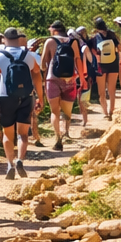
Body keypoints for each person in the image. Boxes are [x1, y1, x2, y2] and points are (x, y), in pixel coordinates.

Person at [0, 27, 45, 180]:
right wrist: (40, 97)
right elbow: (37, 75)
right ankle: (20, 160)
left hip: (6, 97)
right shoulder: (28, 55)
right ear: (19, 39)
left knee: (8, 133)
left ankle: (10, 164)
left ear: (4, 39)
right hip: (26, 96)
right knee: (23, 133)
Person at [41, 21, 81, 150]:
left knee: (55, 111)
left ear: (54, 30)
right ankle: (65, 133)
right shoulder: (73, 42)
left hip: (52, 79)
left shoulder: (49, 41)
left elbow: (42, 64)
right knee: (67, 112)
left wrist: (48, 66)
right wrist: (82, 77)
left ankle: (57, 138)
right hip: (70, 80)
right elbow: (77, 60)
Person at [92, 16, 121, 120]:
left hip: (101, 65)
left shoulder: (95, 37)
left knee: (102, 92)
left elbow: (92, 50)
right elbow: (119, 48)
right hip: (113, 63)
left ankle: (105, 112)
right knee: (112, 90)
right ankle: (111, 111)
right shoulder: (112, 35)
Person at [70, 27, 95, 129]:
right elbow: (91, 60)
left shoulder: (69, 45)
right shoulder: (84, 46)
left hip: (73, 74)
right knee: (82, 99)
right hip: (84, 75)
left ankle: (83, 120)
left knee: (78, 99)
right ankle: (84, 120)